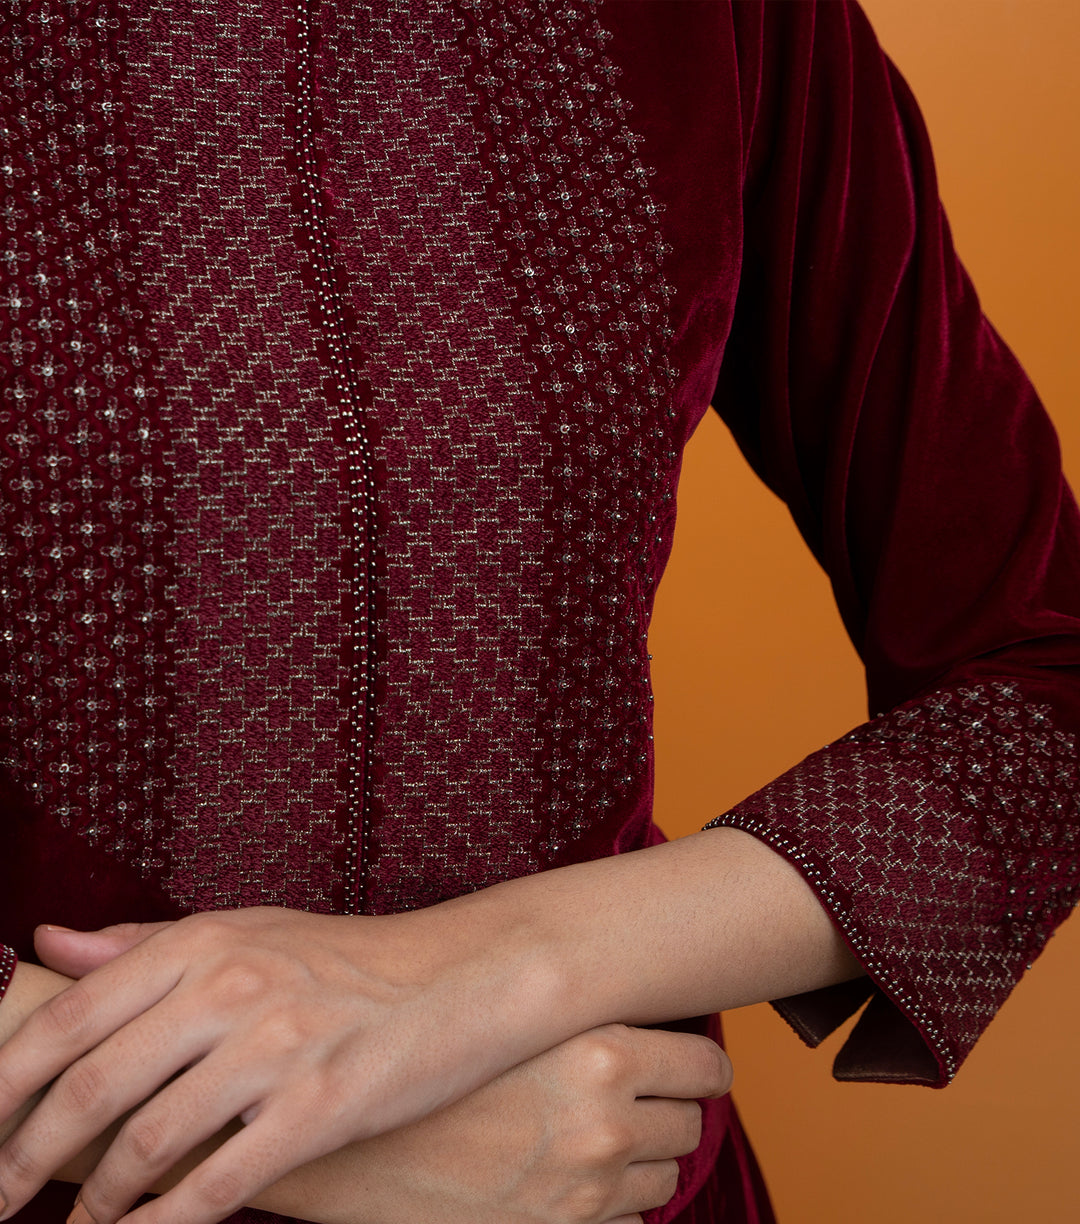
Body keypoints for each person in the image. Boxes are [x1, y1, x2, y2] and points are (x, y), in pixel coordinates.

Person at [0, 2, 1077, 1222]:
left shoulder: (728, 28)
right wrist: (300, 1141)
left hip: (608, 1175)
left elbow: (1042, 667)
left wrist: (498, 975)